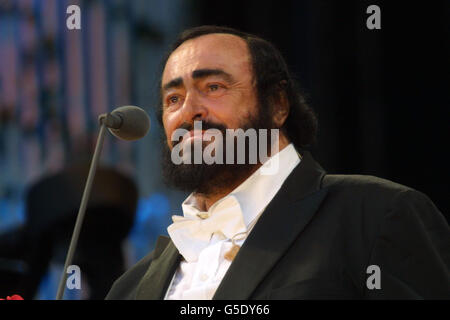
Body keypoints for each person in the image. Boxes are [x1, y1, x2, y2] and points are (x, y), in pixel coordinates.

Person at [106, 26, 450, 300]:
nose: (189, 110)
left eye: (213, 86)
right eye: (174, 98)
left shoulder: (376, 216)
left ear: (278, 104)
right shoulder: (130, 288)